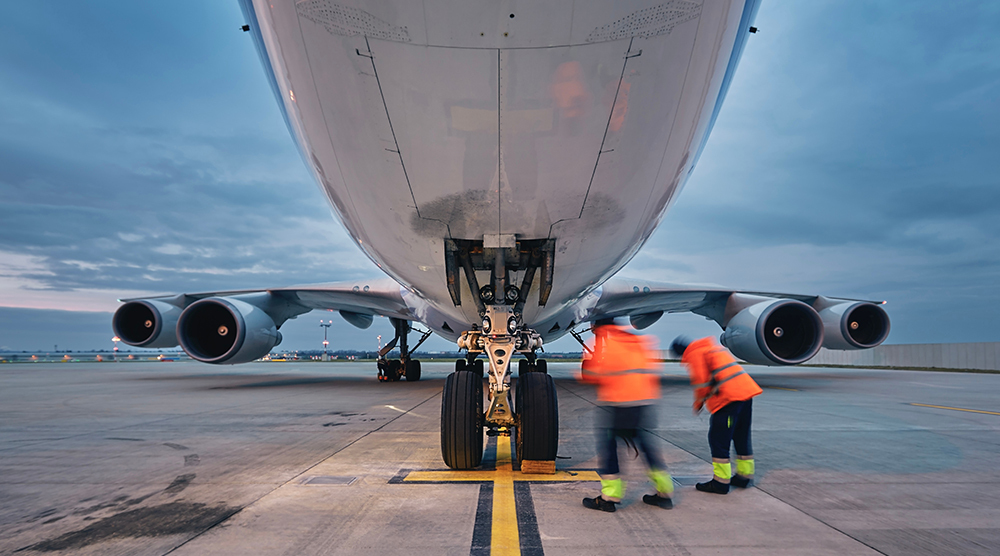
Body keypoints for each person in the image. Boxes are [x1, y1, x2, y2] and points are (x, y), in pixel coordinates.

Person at [579, 318, 674, 512]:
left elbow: (591, 374)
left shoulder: (605, 341)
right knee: (647, 448)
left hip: (619, 404)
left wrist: (597, 345)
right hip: (643, 403)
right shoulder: (639, 341)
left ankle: (609, 498)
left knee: (609, 448)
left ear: (596, 326)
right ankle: (665, 493)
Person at [672, 335, 762, 494]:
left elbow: (701, 382)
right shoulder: (710, 348)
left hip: (729, 400)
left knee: (718, 439)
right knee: (741, 436)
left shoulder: (694, 354)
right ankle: (744, 477)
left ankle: (720, 482)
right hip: (746, 395)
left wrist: (698, 404)